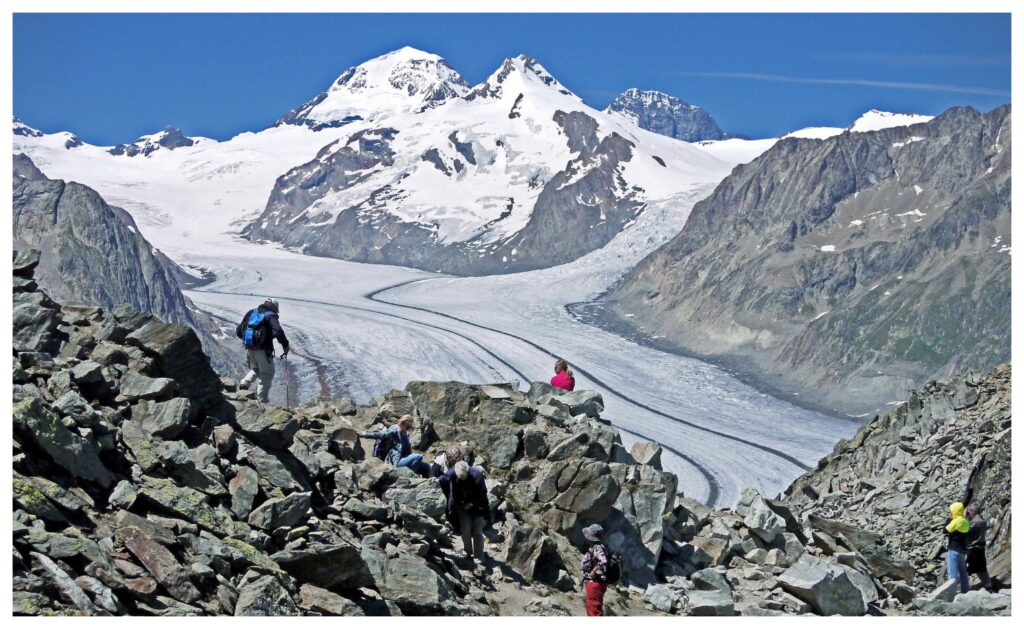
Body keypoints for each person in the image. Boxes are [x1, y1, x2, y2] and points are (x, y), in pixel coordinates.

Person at [236, 298, 289, 403]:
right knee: (267, 373)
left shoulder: (251, 312)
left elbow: (239, 330)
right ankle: (262, 402)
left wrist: (249, 341)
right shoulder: (271, 315)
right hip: (263, 349)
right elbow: (278, 331)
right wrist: (285, 345)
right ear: (274, 307)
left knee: (256, 368)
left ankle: (244, 384)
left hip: (249, 347)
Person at [437, 461, 489, 566]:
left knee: (477, 531)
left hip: (478, 507)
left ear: (468, 471)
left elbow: (482, 494)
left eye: (463, 476)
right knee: (465, 530)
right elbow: (444, 477)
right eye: (459, 476)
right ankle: (467, 551)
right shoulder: (454, 471)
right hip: (462, 506)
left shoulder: (477, 476)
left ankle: (479, 557)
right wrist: (437, 479)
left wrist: (471, 504)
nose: (461, 478)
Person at [360, 415, 429, 476]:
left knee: (426, 466)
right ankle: (410, 475)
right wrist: (364, 434)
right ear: (404, 421)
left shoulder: (405, 433)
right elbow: (382, 435)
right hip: (396, 461)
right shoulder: (395, 429)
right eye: (409, 421)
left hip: (405, 458)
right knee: (418, 456)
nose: (411, 424)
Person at [581, 523, 610, 616]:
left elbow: (603, 561)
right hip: (597, 582)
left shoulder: (597, 547)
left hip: (595, 582)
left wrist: (593, 572)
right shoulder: (597, 547)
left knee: (594, 610)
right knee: (594, 608)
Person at [945, 502, 971, 594]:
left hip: (954, 549)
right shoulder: (965, 521)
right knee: (963, 572)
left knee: (953, 573)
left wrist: (948, 519)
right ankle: (966, 591)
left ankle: (952, 593)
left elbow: (945, 530)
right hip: (963, 551)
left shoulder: (955, 521)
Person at [965, 505, 993, 591]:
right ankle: (989, 586)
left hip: (973, 548)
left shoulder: (975, 522)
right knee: (981, 569)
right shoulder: (982, 520)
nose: (967, 513)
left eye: (968, 511)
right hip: (980, 548)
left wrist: (965, 518)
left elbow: (965, 531)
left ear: (972, 512)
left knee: (965, 567)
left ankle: (958, 587)